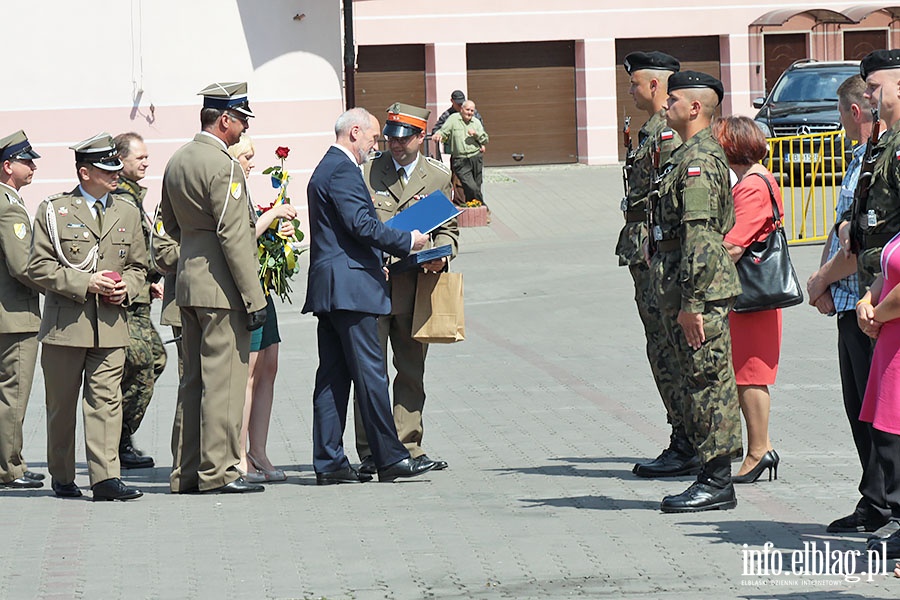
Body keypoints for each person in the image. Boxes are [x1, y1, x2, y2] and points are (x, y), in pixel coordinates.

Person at [303, 107, 435, 485]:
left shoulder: (327, 167)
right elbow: (361, 224)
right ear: (355, 132)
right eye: (374, 138)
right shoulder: (342, 169)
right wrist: (406, 240)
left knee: (332, 378)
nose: (375, 146)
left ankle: (329, 461)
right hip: (351, 288)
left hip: (333, 288)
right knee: (371, 374)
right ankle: (390, 457)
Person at [159, 82, 268, 495]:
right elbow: (235, 236)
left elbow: (169, 225)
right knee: (223, 382)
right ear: (224, 119)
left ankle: (186, 472)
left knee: (192, 383)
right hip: (221, 288)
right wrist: (254, 297)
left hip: (187, 283)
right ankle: (219, 471)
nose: (243, 131)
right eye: (240, 121)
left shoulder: (178, 159)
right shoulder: (223, 165)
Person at [27, 133, 147, 501]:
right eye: (105, 169)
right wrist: (85, 282)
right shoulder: (55, 210)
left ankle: (106, 478)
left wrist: (128, 285)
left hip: (111, 326)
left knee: (107, 402)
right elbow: (38, 267)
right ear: (84, 173)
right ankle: (63, 476)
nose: (115, 174)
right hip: (66, 326)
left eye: (115, 167)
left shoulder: (126, 210)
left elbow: (141, 266)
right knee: (61, 405)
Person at [649, 72, 743, 513]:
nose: (665, 105)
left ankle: (718, 479)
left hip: (698, 291)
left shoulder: (699, 161)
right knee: (694, 377)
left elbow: (702, 239)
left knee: (708, 380)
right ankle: (708, 471)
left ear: (695, 108)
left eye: (674, 100)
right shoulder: (682, 154)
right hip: (681, 283)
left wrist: (693, 304)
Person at [354, 102, 459, 475]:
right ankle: (370, 451)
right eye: (391, 138)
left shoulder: (437, 177)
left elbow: (448, 228)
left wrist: (441, 257)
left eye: (403, 139)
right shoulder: (367, 173)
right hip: (374, 286)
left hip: (415, 288)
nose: (395, 145)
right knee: (371, 372)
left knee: (411, 371)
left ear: (420, 137)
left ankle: (407, 446)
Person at [808, 74, 889, 533]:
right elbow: (841, 228)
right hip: (848, 304)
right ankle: (873, 500)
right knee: (859, 409)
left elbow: (859, 244)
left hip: (869, 305)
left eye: (840, 115)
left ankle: (882, 504)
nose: (838, 124)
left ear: (853, 112)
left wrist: (820, 280)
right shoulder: (859, 159)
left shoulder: (873, 163)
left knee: (877, 414)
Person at [615, 51, 694, 478]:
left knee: (670, 349)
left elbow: (670, 198)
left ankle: (689, 441)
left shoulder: (668, 132)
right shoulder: (651, 131)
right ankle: (683, 435)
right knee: (660, 347)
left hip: (658, 254)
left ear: (656, 85)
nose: (630, 90)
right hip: (644, 249)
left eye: (635, 83)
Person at [713, 116, 784, 484]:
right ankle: (761, 447)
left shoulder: (752, 185)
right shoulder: (753, 180)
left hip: (753, 297)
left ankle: (759, 450)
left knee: (751, 375)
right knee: (747, 374)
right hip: (753, 297)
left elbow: (735, 243)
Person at [851, 49, 900, 559]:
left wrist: (880, 304)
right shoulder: (881, 146)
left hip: (892, 304)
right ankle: (883, 507)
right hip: (879, 295)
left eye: (877, 86)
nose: (868, 96)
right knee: (881, 419)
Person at [228, 133, 293, 483]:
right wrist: (274, 215)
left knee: (269, 364)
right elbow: (241, 237)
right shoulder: (229, 190)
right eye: (247, 156)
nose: (252, 163)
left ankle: (259, 450)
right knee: (248, 374)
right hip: (243, 295)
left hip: (261, 290)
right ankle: (239, 456)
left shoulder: (246, 190)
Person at [112, 132, 166, 469]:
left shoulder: (133, 196)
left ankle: (119, 438)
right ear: (121, 160)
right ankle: (116, 438)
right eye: (139, 158)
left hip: (140, 294)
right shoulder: (122, 197)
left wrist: (150, 280)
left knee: (151, 361)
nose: (146, 162)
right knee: (144, 363)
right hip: (127, 300)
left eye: (146, 157)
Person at [0, 131, 45, 489]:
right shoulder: (10, 206)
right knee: (13, 393)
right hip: (14, 316)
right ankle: (9, 467)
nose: (32, 166)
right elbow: (23, 266)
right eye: (26, 161)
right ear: (7, 166)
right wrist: (62, 286)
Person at [432, 100, 489, 206]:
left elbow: (485, 139)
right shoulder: (453, 119)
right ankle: (484, 207)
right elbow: (443, 131)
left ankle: (474, 208)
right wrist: (438, 135)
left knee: (476, 185)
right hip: (460, 159)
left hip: (475, 157)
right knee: (470, 185)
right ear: (462, 109)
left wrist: (476, 134)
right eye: (468, 110)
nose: (470, 113)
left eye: (472, 110)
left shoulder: (476, 122)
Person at [430, 90, 484, 155]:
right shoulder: (447, 115)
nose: (461, 106)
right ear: (452, 101)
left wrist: (481, 143)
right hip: (456, 153)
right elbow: (436, 130)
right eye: (458, 104)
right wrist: (442, 137)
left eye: (462, 103)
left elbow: (481, 130)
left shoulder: (473, 113)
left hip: (473, 151)